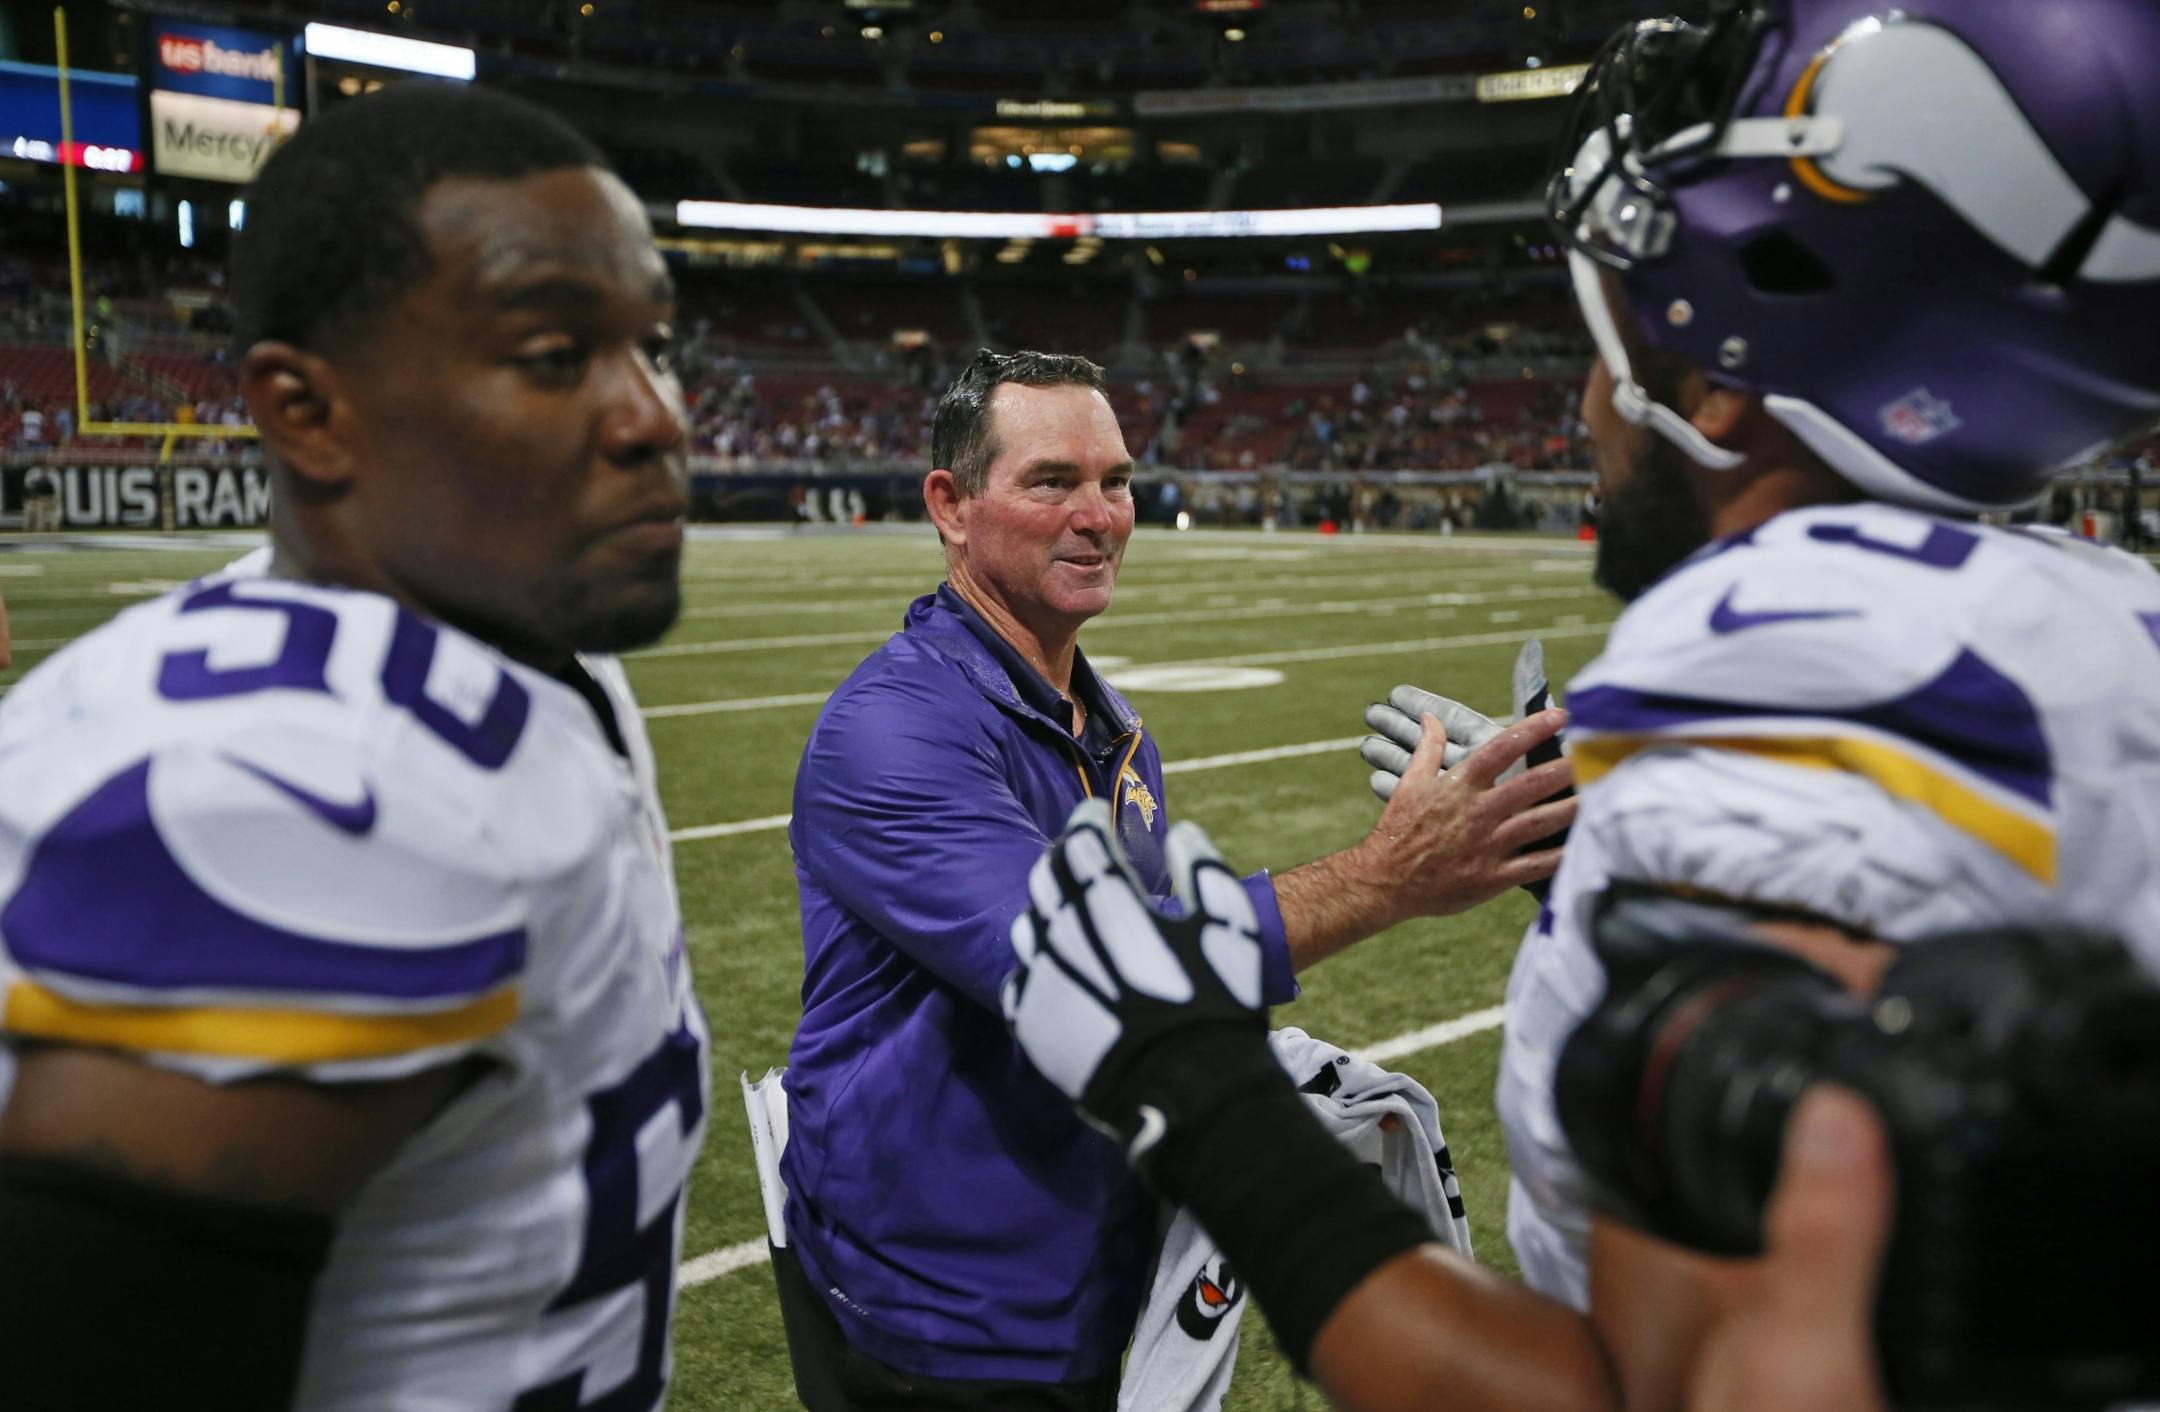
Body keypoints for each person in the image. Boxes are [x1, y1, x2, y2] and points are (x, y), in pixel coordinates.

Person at [1000, 1, 2160, 1408]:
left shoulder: (1780, 666)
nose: (1590, 405)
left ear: (1726, 370)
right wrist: (1606, 849)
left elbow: (1691, 1392)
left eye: (1610, 337)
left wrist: (1197, 1091)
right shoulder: (2102, 604)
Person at [0, 84, 708, 1411]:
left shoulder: (512, 638)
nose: (654, 414)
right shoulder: (293, 781)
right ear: (308, 413)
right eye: (557, 356)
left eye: (655, 345)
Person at [777, 347, 1575, 1407]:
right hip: (934, 1308)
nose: (1099, 515)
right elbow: (1096, 972)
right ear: (950, 504)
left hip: (1083, 1268)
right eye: (1052, 481)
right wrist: (1387, 875)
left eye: (1116, 481)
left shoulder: (1109, 731)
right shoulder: (892, 729)